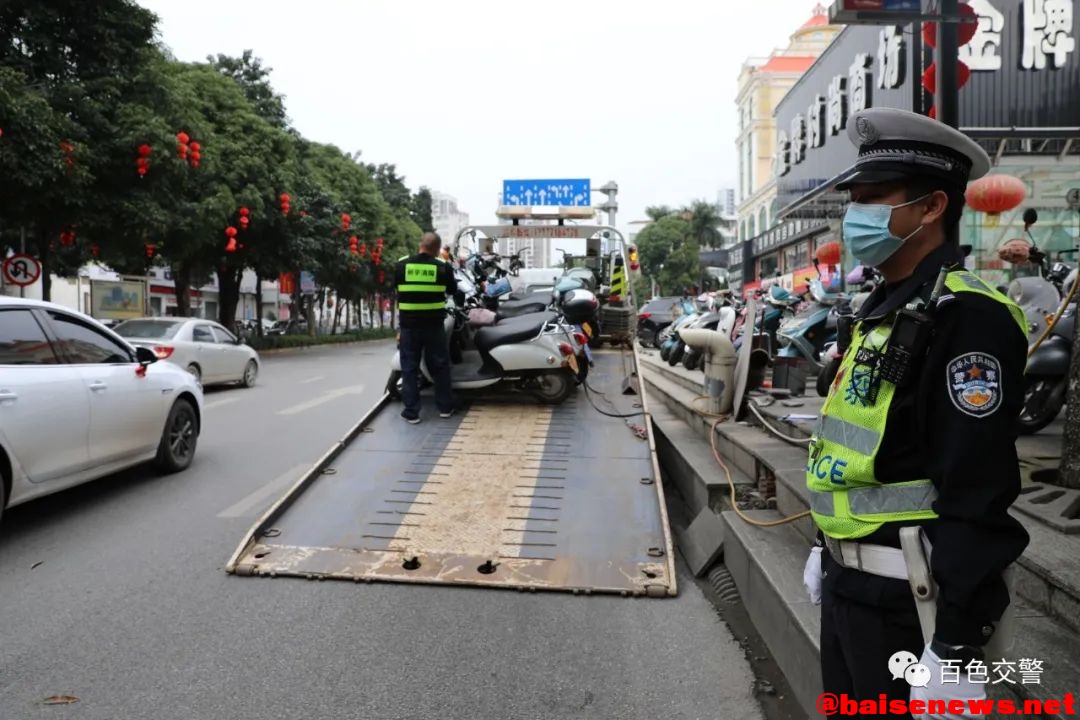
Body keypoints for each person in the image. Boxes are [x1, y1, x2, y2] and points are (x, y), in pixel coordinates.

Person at [801, 107, 1030, 717]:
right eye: (855, 200)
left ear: (932, 208)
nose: (856, 215)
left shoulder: (966, 318)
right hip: (851, 584)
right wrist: (826, 548)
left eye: (874, 199)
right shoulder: (883, 309)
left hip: (913, 607)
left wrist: (955, 645)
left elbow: (976, 488)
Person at [394, 231, 457, 424]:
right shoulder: (442, 267)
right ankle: (445, 407)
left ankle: (412, 412)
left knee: (410, 368)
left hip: (409, 327)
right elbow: (453, 291)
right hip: (434, 326)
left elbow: (397, 288)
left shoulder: (402, 264)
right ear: (438, 249)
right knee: (440, 365)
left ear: (420, 244)